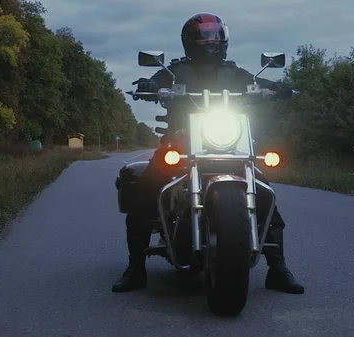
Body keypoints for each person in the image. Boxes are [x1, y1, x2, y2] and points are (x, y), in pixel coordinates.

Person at [112, 12, 305, 295]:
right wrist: (148, 84)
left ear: (224, 39)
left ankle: (277, 268)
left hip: (228, 142)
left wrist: (276, 87)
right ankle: (135, 267)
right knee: (147, 189)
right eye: (203, 36)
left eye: (215, 35)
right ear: (189, 41)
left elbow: (256, 82)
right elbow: (155, 79)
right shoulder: (175, 70)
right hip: (180, 143)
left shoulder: (233, 72)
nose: (209, 40)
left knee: (262, 189)